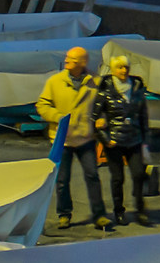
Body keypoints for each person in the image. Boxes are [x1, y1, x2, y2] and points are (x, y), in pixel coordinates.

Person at [35, 47, 104, 229]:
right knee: (62, 180)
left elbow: (103, 105)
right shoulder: (55, 82)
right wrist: (58, 117)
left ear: (82, 63)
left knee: (93, 176)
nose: (66, 61)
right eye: (67, 57)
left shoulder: (95, 82)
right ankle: (64, 214)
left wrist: (102, 119)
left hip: (86, 137)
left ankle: (99, 215)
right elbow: (42, 105)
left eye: (71, 59)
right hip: (62, 139)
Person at [90, 53, 153, 228]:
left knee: (139, 175)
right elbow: (93, 119)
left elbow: (143, 116)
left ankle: (141, 210)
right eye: (120, 67)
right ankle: (119, 211)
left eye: (126, 67)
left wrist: (146, 140)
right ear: (113, 69)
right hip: (114, 141)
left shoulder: (137, 87)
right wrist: (105, 139)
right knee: (117, 179)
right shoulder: (105, 89)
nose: (123, 70)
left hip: (134, 139)